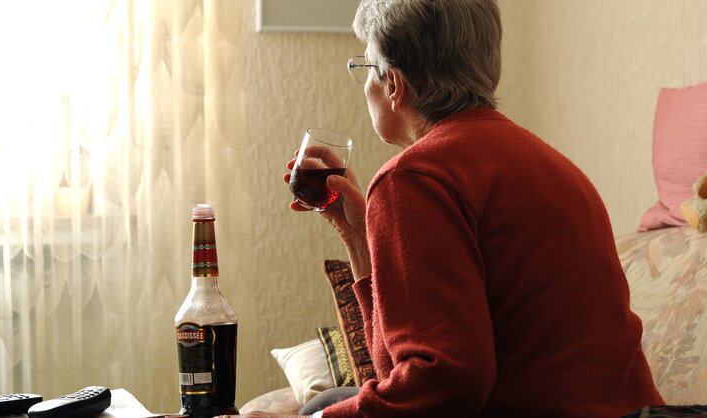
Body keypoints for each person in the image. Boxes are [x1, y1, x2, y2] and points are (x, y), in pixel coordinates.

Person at [225, 0, 664, 416]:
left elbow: (442, 384)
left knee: (317, 409)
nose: (364, 85)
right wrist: (358, 235)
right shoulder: (555, 166)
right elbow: (396, 369)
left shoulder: (413, 178)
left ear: (393, 84)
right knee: (336, 398)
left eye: (364, 68)